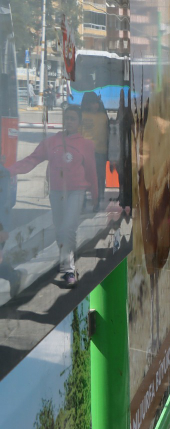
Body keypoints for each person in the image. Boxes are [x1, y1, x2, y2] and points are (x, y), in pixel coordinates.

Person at [7, 106, 97, 287]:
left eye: (73, 119)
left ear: (79, 123)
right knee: (59, 230)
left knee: (68, 230)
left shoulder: (86, 145)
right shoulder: (51, 142)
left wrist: (95, 198)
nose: (69, 122)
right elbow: (32, 160)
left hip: (76, 192)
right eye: (67, 118)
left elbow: (92, 173)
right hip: (56, 193)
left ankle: (69, 269)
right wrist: (8, 171)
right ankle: (65, 260)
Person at [80, 92, 109, 210]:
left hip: (100, 152)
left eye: (97, 103)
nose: (95, 106)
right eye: (92, 103)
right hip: (83, 152)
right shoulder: (81, 115)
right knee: (82, 178)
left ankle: (96, 202)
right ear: (86, 104)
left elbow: (108, 133)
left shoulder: (103, 116)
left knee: (98, 178)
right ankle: (81, 203)